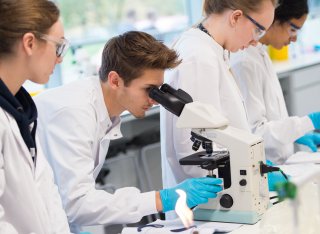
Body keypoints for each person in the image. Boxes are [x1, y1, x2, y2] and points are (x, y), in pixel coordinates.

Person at [35, 31, 223, 233]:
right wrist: (162, 199)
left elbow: (69, 200)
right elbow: (77, 203)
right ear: (115, 80)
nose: (154, 100)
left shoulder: (104, 111)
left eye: (158, 90)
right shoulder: (74, 113)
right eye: (149, 89)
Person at [161, 0, 277, 193]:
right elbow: (195, 155)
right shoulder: (199, 57)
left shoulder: (212, 50)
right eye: (258, 30)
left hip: (230, 195)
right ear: (236, 17)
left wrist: (255, 164)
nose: (257, 41)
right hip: (210, 203)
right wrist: (253, 173)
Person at [0, 0, 71, 233]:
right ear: (29, 43)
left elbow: (47, 196)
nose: (60, 59)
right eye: (58, 47)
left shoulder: (21, 111)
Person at [230, 0, 319, 164]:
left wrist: (297, 134)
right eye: (292, 29)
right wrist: (307, 122)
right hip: (264, 168)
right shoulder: (244, 61)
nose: (294, 38)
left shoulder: (260, 53)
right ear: (273, 19)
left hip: (282, 163)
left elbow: (272, 118)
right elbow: (256, 132)